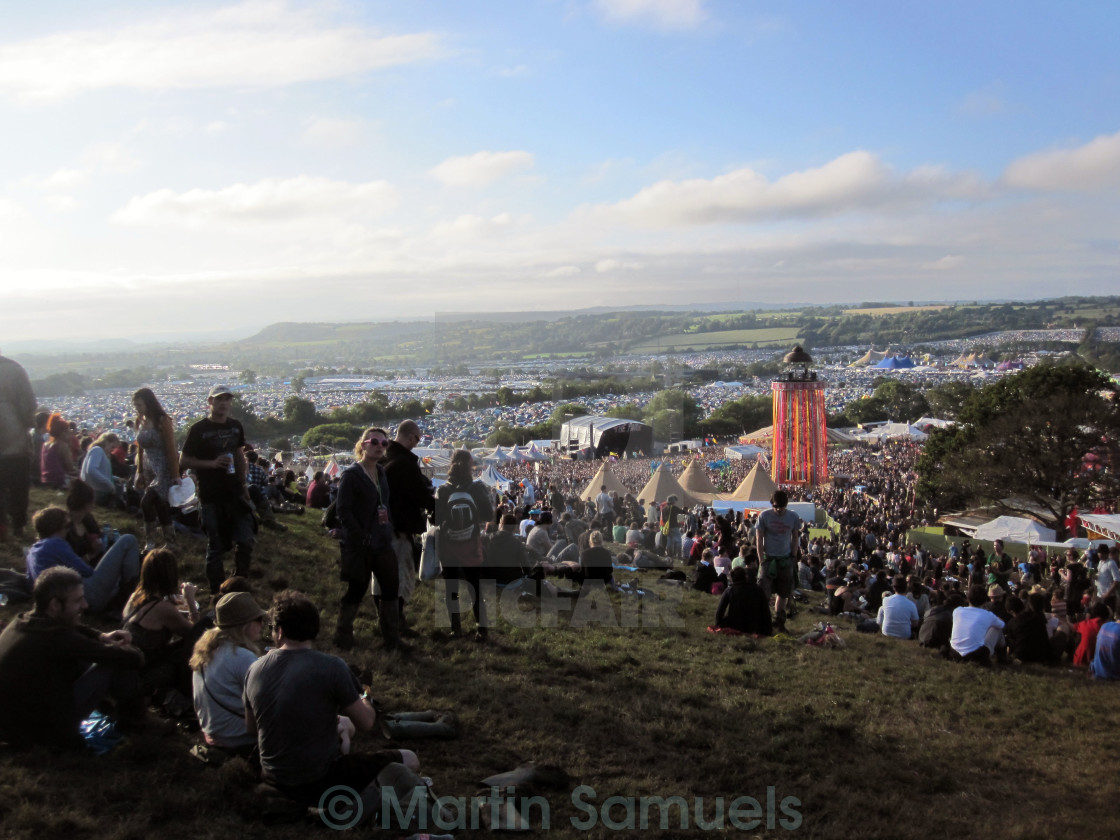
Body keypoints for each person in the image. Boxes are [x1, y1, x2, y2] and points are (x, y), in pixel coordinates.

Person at [244, 591, 430, 828]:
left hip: (273, 777)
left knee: (343, 729)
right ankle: (349, 809)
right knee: (410, 759)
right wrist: (366, 696)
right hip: (319, 779)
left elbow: (251, 728)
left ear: (279, 631)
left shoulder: (255, 669)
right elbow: (366, 723)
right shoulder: (331, 667)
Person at [0, 567, 145, 749]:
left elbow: (70, 629)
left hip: (13, 724)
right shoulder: (56, 639)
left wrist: (101, 637)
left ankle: (127, 715)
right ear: (54, 605)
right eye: (78, 600)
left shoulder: (22, 621)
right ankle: (135, 723)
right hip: (41, 732)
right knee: (113, 663)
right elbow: (134, 660)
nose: (85, 605)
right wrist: (131, 649)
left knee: (99, 659)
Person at [179, 385, 254, 595]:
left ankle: (239, 584)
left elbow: (239, 455)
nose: (224, 403)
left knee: (245, 540)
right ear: (210, 402)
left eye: (227, 399)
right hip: (210, 494)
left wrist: (243, 484)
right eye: (219, 399)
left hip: (234, 492)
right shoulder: (199, 429)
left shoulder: (235, 426)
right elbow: (183, 460)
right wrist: (211, 464)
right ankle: (216, 592)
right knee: (215, 545)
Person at [333, 428, 399, 650]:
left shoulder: (381, 472)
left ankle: (391, 638)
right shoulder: (352, 475)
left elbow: (386, 504)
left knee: (391, 588)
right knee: (357, 588)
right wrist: (360, 535)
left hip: (382, 541)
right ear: (363, 445)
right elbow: (343, 510)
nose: (380, 446)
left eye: (384, 443)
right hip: (360, 544)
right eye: (374, 441)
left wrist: (389, 527)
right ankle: (343, 633)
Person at [121, 548, 208, 699]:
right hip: (142, 677)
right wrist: (191, 601)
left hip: (128, 668)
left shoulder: (135, 596)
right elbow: (196, 635)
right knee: (203, 633)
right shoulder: (163, 609)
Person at [190, 591, 266, 757]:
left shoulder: (206, 649)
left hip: (211, 735)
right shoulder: (243, 657)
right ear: (245, 625)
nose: (262, 625)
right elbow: (266, 705)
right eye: (259, 619)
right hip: (238, 740)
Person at [25, 506, 140, 614]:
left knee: (117, 578)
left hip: (62, 603)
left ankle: (124, 594)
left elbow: (32, 585)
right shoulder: (56, 543)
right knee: (128, 539)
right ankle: (133, 593)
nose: (69, 530)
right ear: (58, 527)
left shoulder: (32, 552)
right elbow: (87, 571)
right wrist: (93, 553)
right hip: (84, 597)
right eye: (67, 525)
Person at [435, 449, 495, 641]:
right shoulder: (477, 488)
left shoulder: (443, 489)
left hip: (449, 544)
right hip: (471, 543)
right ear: (470, 465)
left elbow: (435, 518)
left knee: (451, 588)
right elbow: (488, 515)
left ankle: (455, 628)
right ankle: (481, 628)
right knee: (474, 586)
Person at [384, 419, 435, 637]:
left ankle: (389, 624)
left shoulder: (385, 458)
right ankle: (396, 625)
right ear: (411, 437)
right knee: (402, 578)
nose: (417, 443)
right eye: (417, 439)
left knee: (386, 580)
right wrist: (438, 506)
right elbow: (420, 495)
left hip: (385, 527)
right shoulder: (404, 463)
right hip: (399, 527)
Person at [131, 388, 182, 549]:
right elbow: (139, 448)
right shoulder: (140, 420)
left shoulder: (162, 421)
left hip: (162, 467)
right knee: (160, 505)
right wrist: (139, 471)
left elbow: (170, 448)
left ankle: (151, 541)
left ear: (148, 403)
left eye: (140, 405)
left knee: (146, 503)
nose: (137, 409)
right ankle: (170, 541)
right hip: (148, 465)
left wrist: (175, 473)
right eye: (136, 406)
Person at [0, 352, 36, 540]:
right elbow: (28, 406)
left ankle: (2, 528)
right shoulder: (14, 369)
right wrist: (28, 423)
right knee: (18, 487)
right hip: (14, 439)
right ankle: (18, 526)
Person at [755, 490, 801, 632]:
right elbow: (759, 538)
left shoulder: (793, 516)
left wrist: (793, 556)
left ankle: (779, 621)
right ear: (772, 504)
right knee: (764, 592)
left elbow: (795, 537)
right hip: (769, 559)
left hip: (785, 559)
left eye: (782, 507)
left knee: (784, 592)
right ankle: (762, 621)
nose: (779, 510)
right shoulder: (764, 516)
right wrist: (761, 558)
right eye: (776, 506)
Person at [949, 585, 1006, 663]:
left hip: (954, 653)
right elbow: (1002, 625)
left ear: (968, 599)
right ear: (985, 600)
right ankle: (1002, 657)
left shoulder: (957, 611)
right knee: (996, 628)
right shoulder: (988, 614)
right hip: (976, 655)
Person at [713, 566, 772, 635]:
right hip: (755, 626)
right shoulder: (758, 589)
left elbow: (719, 612)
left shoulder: (730, 590)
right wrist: (768, 629)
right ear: (745, 576)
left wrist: (719, 624)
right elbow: (766, 611)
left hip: (735, 625)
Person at [77, 432, 123, 506]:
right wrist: (109, 484)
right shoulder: (98, 450)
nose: (113, 450)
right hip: (96, 491)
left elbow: (102, 472)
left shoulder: (101, 453)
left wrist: (116, 479)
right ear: (106, 442)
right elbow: (91, 470)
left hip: (97, 490)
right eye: (112, 447)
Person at [40, 412, 77, 489]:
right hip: (59, 481)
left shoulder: (45, 445)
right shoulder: (62, 445)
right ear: (62, 433)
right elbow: (70, 468)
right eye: (68, 431)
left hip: (46, 480)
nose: (70, 433)